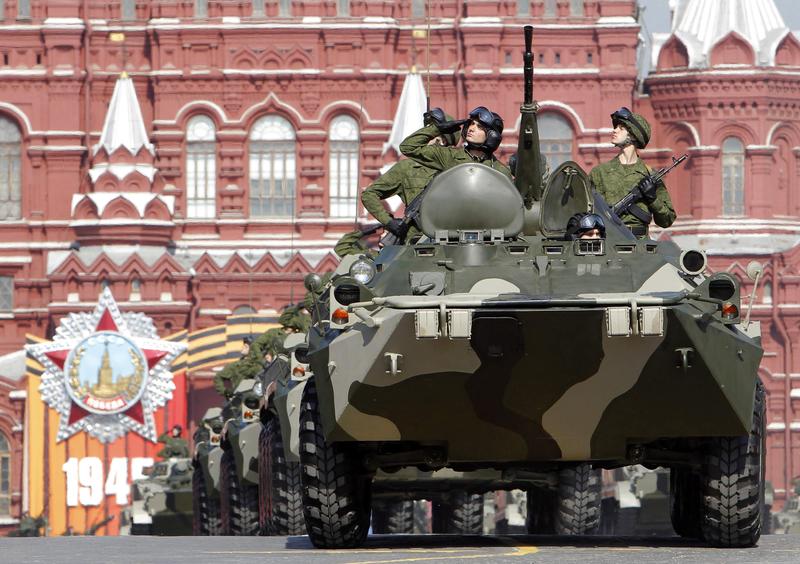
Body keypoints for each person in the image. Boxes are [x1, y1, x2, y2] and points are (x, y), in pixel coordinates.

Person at [361, 109, 459, 240]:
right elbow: (369, 194)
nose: (431, 138)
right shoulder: (407, 168)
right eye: (428, 131)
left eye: (436, 133)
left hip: (452, 241)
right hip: (415, 244)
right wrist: (389, 222)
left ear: (443, 142)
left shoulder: (457, 168)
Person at [589, 107, 675, 238]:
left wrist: (653, 198)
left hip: (640, 246)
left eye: (621, 128)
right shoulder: (599, 173)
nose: (614, 130)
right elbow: (586, 211)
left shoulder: (650, 175)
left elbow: (667, 220)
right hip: (609, 243)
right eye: (616, 127)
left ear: (634, 135)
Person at [399, 106, 512, 181]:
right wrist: (438, 129)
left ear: (492, 136)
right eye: (471, 124)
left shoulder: (500, 172)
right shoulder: (449, 157)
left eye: (479, 127)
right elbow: (408, 147)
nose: (471, 129)